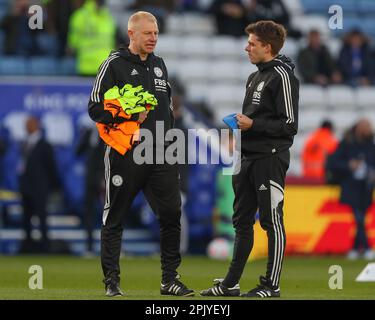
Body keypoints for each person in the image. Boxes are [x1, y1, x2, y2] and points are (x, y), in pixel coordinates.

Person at [88, 11, 194, 297]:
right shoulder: (114, 64)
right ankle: (111, 281)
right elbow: (95, 108)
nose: (153, 38)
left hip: (161, 151)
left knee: (172, 214)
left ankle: (169, 280)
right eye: (148, 33)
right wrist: (130, 112)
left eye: (156, 33)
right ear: (131, 34)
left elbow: (167, 109)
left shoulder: (160, 65)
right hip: (127, 152)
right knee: (115, 217)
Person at [201, 20, 299, 298]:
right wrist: (243, 127)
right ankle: (230, 283)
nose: (247, 48)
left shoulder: (283, 75)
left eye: (252, 43)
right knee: (241, 222)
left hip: (270, 158)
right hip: (246, 158)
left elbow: (289, 125)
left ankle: (272, 285)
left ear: (267, 47)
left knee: (271, 221)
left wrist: (252, 125)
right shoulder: (255, 76)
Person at [327, 119, 375, 260]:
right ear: (358, 128)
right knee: (359, 217)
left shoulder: (370, 145)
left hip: (366, 187)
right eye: (365, 126)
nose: (368, 129)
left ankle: (354, 249)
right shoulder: (347, 144)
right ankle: (366, 248)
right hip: (351, 187)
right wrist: (349, 165)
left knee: (360, 218)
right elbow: (333, 162)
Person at [19, 116, 60, 252]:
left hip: (40, 187)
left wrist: (53, 186)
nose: (26, 127)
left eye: (29, 124)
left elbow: (51, 166)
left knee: (42, 217)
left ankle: (45, 247)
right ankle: (27, 246)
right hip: (26, 187)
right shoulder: (25, 143)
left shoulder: (45, 145)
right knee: (26, 219)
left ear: (36, 125)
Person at [67, 0, 116, 76]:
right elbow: (72, 46)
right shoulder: (80, 16)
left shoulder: (108, 16)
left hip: (105, 67)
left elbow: (111, 41)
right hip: (87, 68)